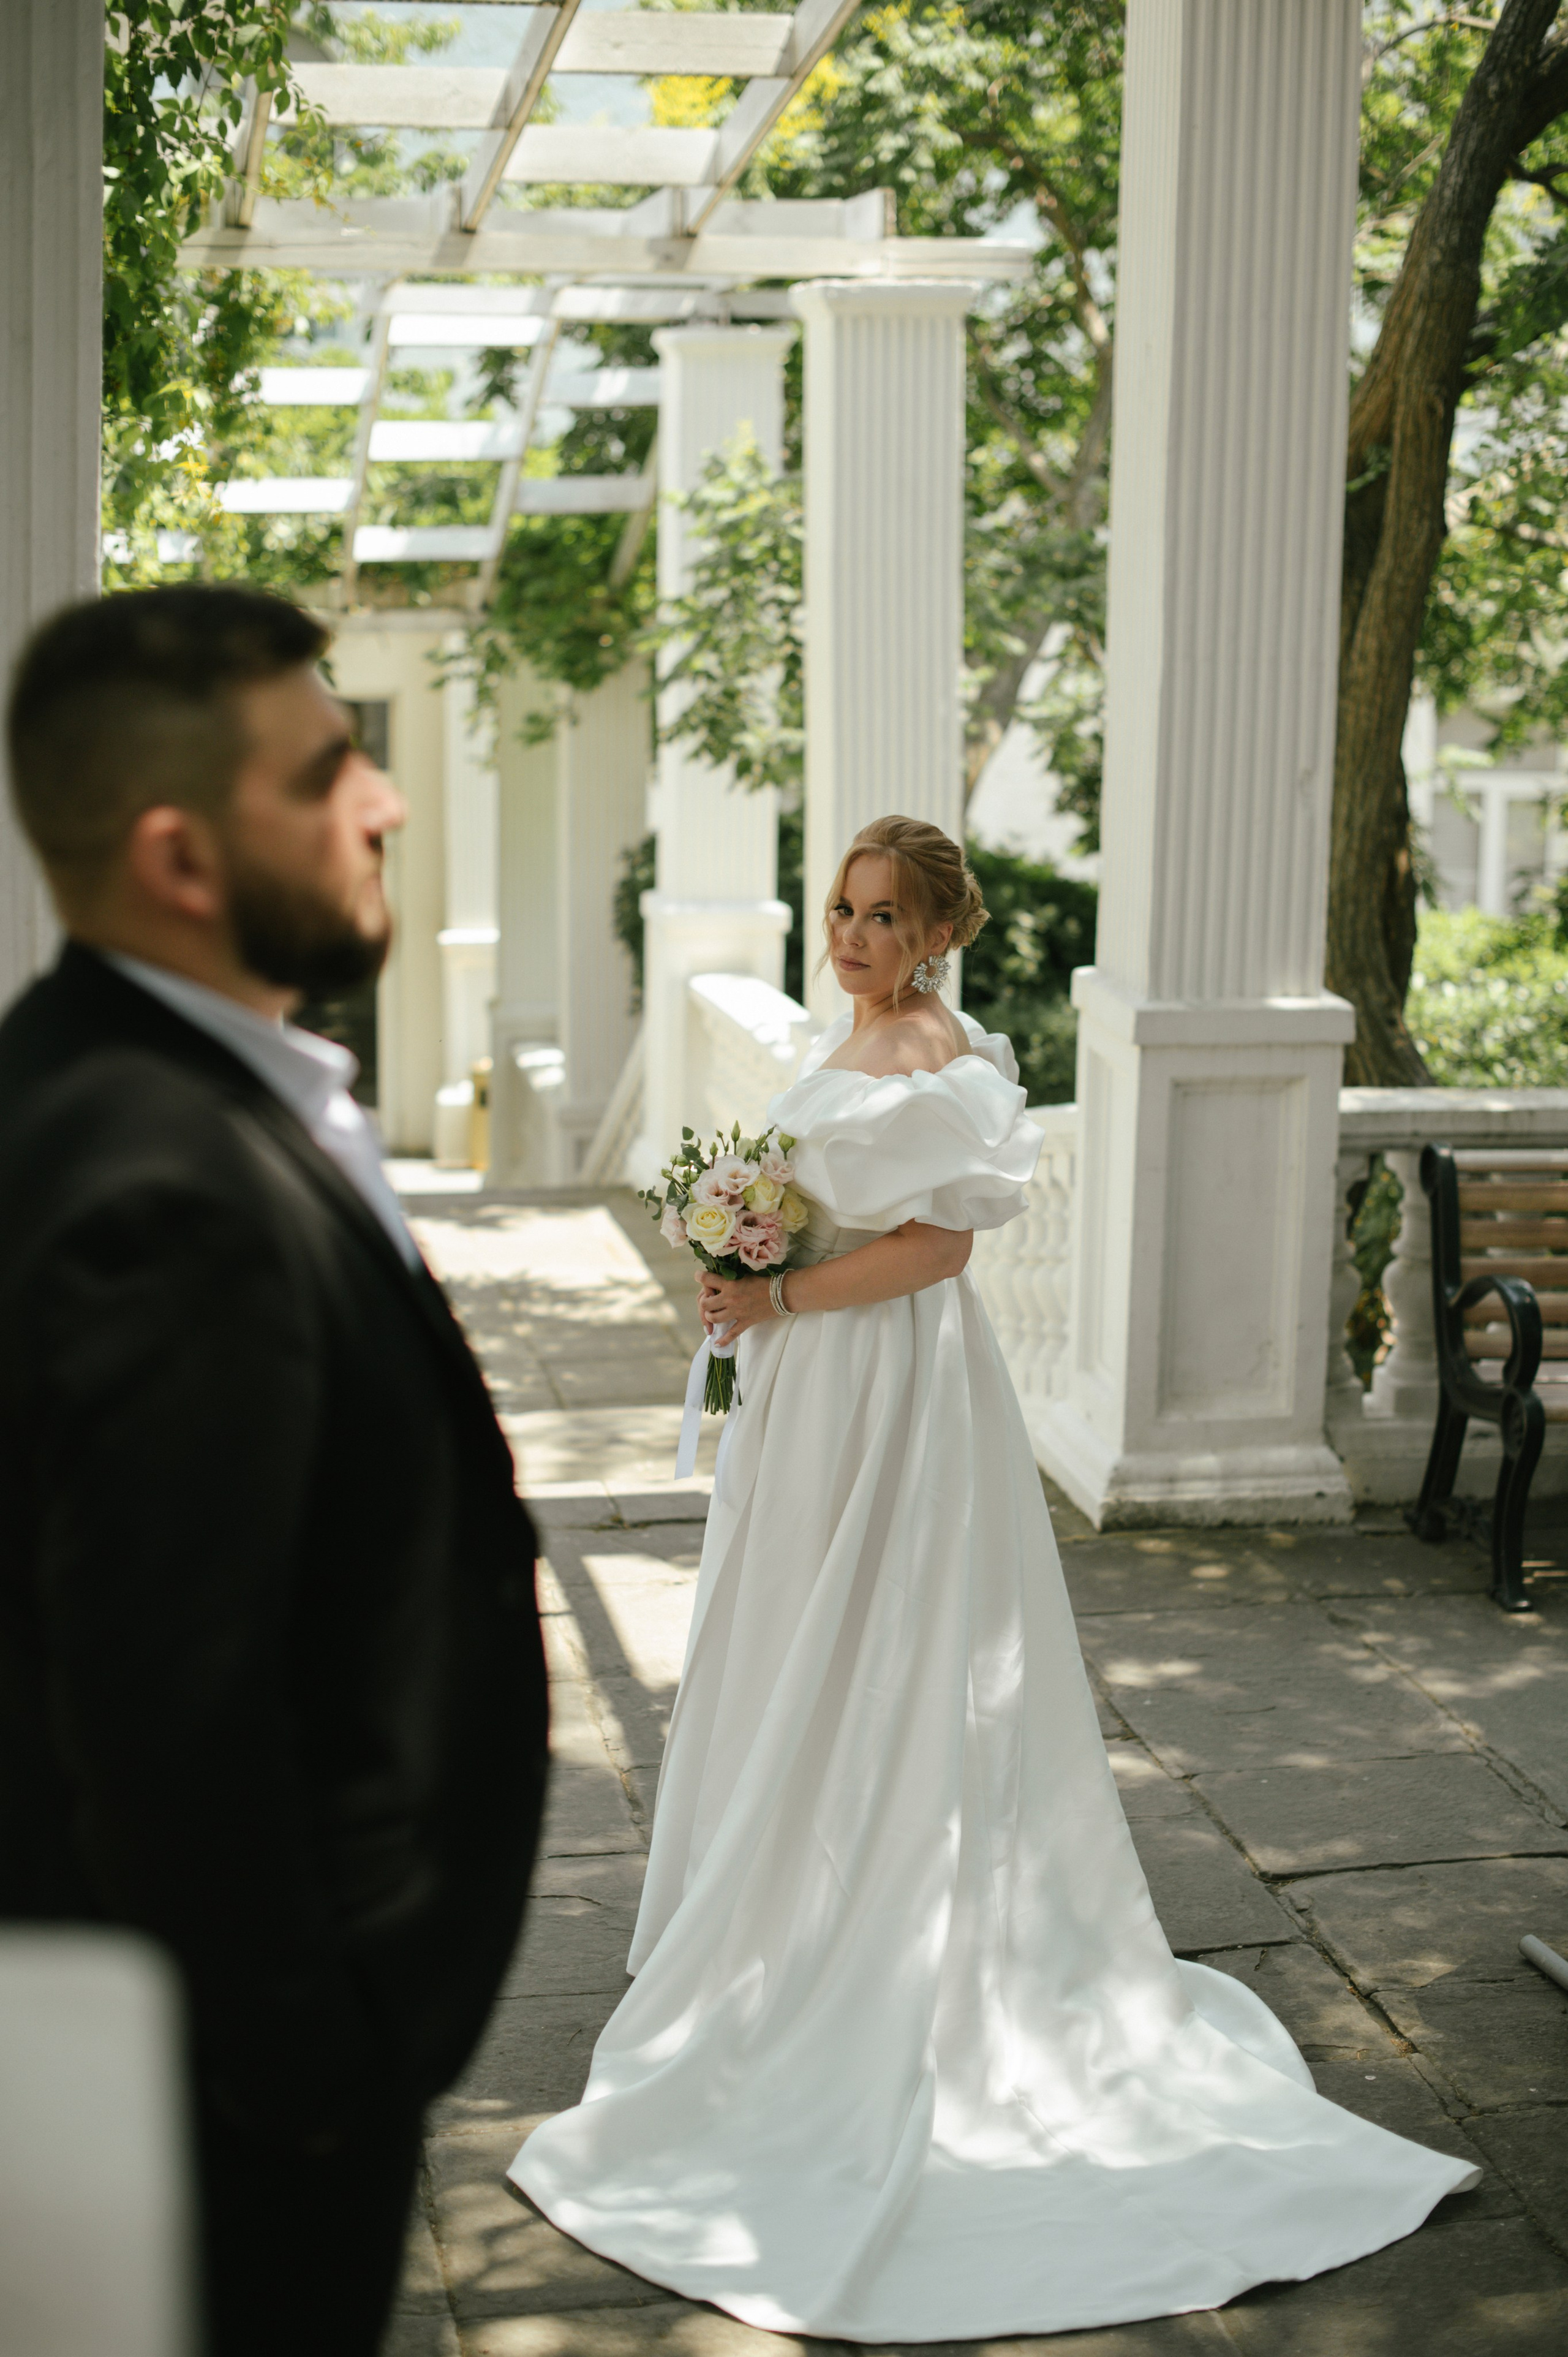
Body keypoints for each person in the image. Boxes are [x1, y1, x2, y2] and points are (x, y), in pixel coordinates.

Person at [510, 815, 1475, 2342]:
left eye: (882, 917)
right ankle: (775, 1910)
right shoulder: (856, 1038)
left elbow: (936, 1258)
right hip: (812, 1379)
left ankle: (875, 1944)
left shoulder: (940, 1065)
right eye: (840, 908)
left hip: (883, 1376)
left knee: (878, 1640)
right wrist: (743, 1277)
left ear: (935, 933)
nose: (850, 935)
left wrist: (774, 1286)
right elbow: (822, 1213)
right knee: (792, 1638)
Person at [0, 586, 548, 2357]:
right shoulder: (156, 1191)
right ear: (177, 851)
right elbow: (168, 1715)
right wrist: (310, 2067)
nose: (381, 800)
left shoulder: (132, 1084)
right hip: (234, 2107)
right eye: (327, 772)